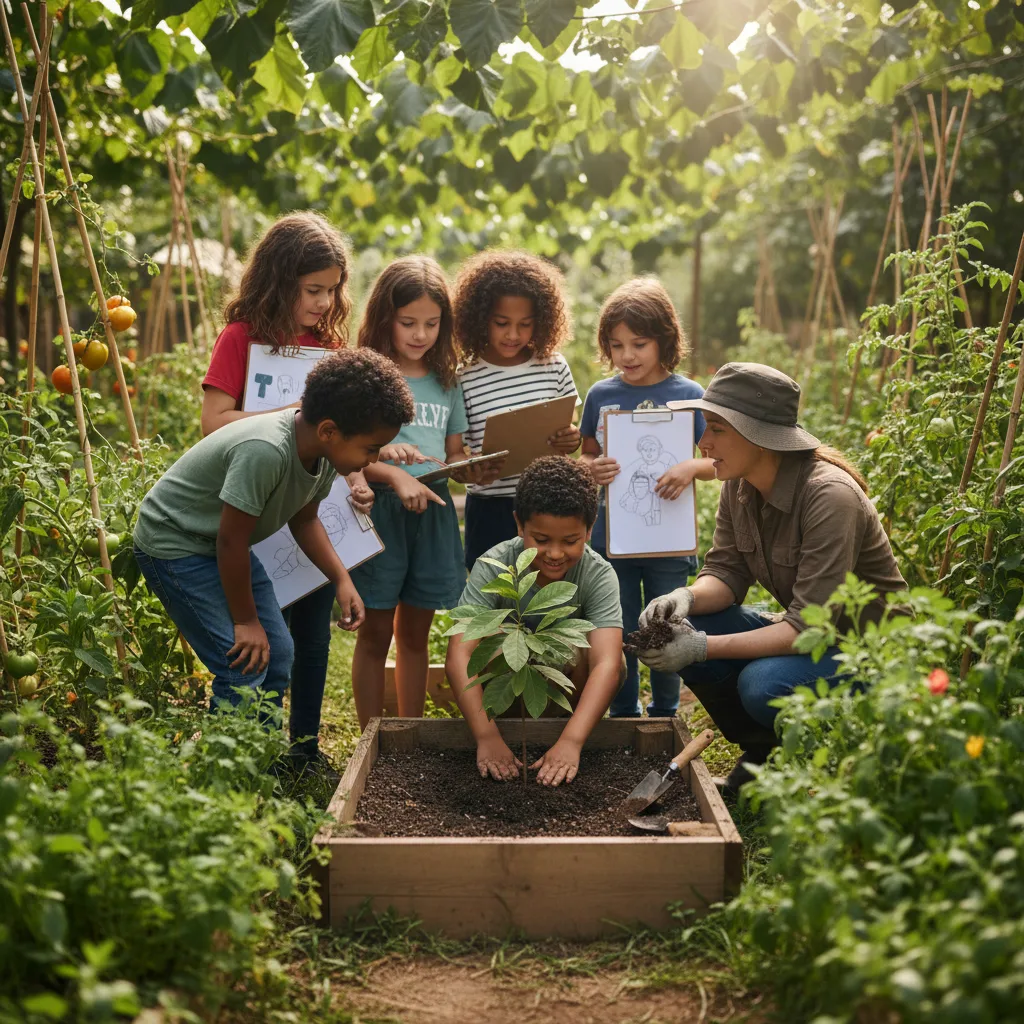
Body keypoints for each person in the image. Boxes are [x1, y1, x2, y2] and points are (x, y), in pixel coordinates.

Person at [634, 362, 907, 792]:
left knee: (760, 683)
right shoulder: (739, 484)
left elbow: (805, 628)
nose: (703, 442)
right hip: (816, 640)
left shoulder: (830, 497)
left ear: (759, 436)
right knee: (687, 625)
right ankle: (765, 755)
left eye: (717, 429)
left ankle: (832, 767)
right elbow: (725, 572)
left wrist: (701, 649)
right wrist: (684, 598)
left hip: (868, 656)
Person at [133, 350, 415, 733]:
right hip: (176, 543)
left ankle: (260, 763)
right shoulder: (266, 450)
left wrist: (341, 579)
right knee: (242, 664)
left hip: (218, 544)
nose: (372, 459)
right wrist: (245, 620)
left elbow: (305, 519)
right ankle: (222, 777)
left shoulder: (323, 454)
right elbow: (231, 541)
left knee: (278, 653)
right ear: (330, 431)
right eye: (370, 448)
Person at [199, 211, 377, 770]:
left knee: (313, 636)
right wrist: (290, 413)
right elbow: (213, 421)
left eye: (332, 290)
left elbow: (344, 430)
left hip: (313, 507)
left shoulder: (329, 345)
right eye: (312, 290)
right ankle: (252, 744)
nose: (325, 302)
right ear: (279, 282)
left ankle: (304, 749)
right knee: (260, 630)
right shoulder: (242, 338)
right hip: (254, 502)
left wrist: (356, 475)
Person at [350, 256, 498, 728]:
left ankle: (408, 733)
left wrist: (474, 467)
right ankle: (369, 736)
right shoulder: (368, 375)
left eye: (432, 324)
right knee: (376, 630)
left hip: (432, 513)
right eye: (408, 322)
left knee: (416, 632)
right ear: (384, 319)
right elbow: (350, 455)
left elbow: (453, 455)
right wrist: (390, 469)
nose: (420, 334)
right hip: (379, 511)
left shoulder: (446, 380)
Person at [580, 278, 715, 718]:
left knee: (664, 626)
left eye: (639, 343)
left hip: (668, 541)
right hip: (611, 539)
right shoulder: (601, 395)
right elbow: (585, 457)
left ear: (665, 341)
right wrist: (592, 469)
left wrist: (692, 466)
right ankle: (623, 712)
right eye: (616, 345)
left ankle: (664, 712)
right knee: (617, 627)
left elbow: (720, 463)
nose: (627, 356)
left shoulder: (690, 396)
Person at [446, 456, 625, 787]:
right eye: (541, 540)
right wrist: (486, 736)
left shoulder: (598, 574)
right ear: (518, 524)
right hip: (502, 708)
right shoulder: (496, 565)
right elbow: (460, 653)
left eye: (570, 541)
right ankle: (503, 733)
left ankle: (563, 737)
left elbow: (608, 664)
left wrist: (571, 743)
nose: (555, 553)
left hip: (567, 705)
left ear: (591, 526)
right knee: (491, 640)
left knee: (610, 655)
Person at [454, 250, 582, 568]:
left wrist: (572, 439)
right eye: (502, 323)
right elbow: (457, 451)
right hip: (489, 506)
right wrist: (472, 469)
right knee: (493, 596)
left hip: (547, 505)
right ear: (480, 318)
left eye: (525, 324)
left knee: (547, 592)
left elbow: (571, 427)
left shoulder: (553, 365)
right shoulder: (464, 376)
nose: (513, 335)